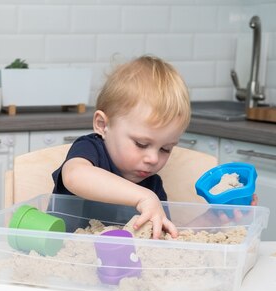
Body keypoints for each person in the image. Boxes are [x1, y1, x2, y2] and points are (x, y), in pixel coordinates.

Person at [52, 55, 191, 239]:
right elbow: (74, 177)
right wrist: (143, 197)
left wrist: (209, 220)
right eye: (141, 144)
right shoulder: (90, 149)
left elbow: (163, 238)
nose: (154, 159)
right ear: (102, 125)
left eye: (165, 149)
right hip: (64, 256)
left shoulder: (153, 187)